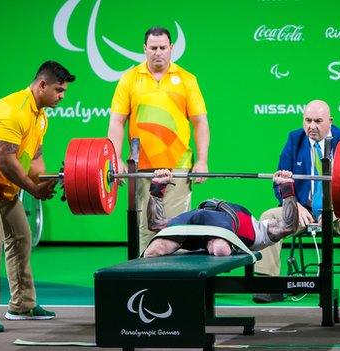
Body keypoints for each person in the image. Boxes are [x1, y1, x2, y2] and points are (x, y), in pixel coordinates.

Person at [0, 61, 75, 332]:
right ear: (42, 84)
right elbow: (5, 161)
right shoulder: (12, 110)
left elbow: (37, 159)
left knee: (22, 237)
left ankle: (22, 304)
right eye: (58, 90)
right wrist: (33, 190)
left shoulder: (40, 116)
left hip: (3, 187)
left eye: (64, 91)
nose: (62, 96)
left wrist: (52, 180)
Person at [253, 100, 340, 304]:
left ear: (330, 121)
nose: (312, 126)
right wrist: (295, 205)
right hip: (302, 210)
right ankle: (268, 283)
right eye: (307, 120)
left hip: (337, 210)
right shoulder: (294, 140)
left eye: (318, 121)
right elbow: (279, 182)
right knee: (268, 217)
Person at [108, 26, 210, 253]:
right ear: (145, 49)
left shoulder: (187, 79)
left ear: (171, 48)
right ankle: (146, 283)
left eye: (163, 47)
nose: (158, 52)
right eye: (153, 48)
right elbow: (117, 122)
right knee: (146, 229)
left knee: (177, 229)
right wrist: (116, 159)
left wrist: (202, 160)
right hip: (142, 169)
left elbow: (200, 122)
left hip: (178, 167)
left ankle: (176, 284)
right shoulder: (129, 79)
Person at [143, 169, 299, 257]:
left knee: (220, 250)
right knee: (152, 252)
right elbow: (154, 223)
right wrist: (158, 186)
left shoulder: (261, 234)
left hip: (218, 224)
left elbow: (289, 226)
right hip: (198, 218)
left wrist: (287, 189)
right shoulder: (261, 228)